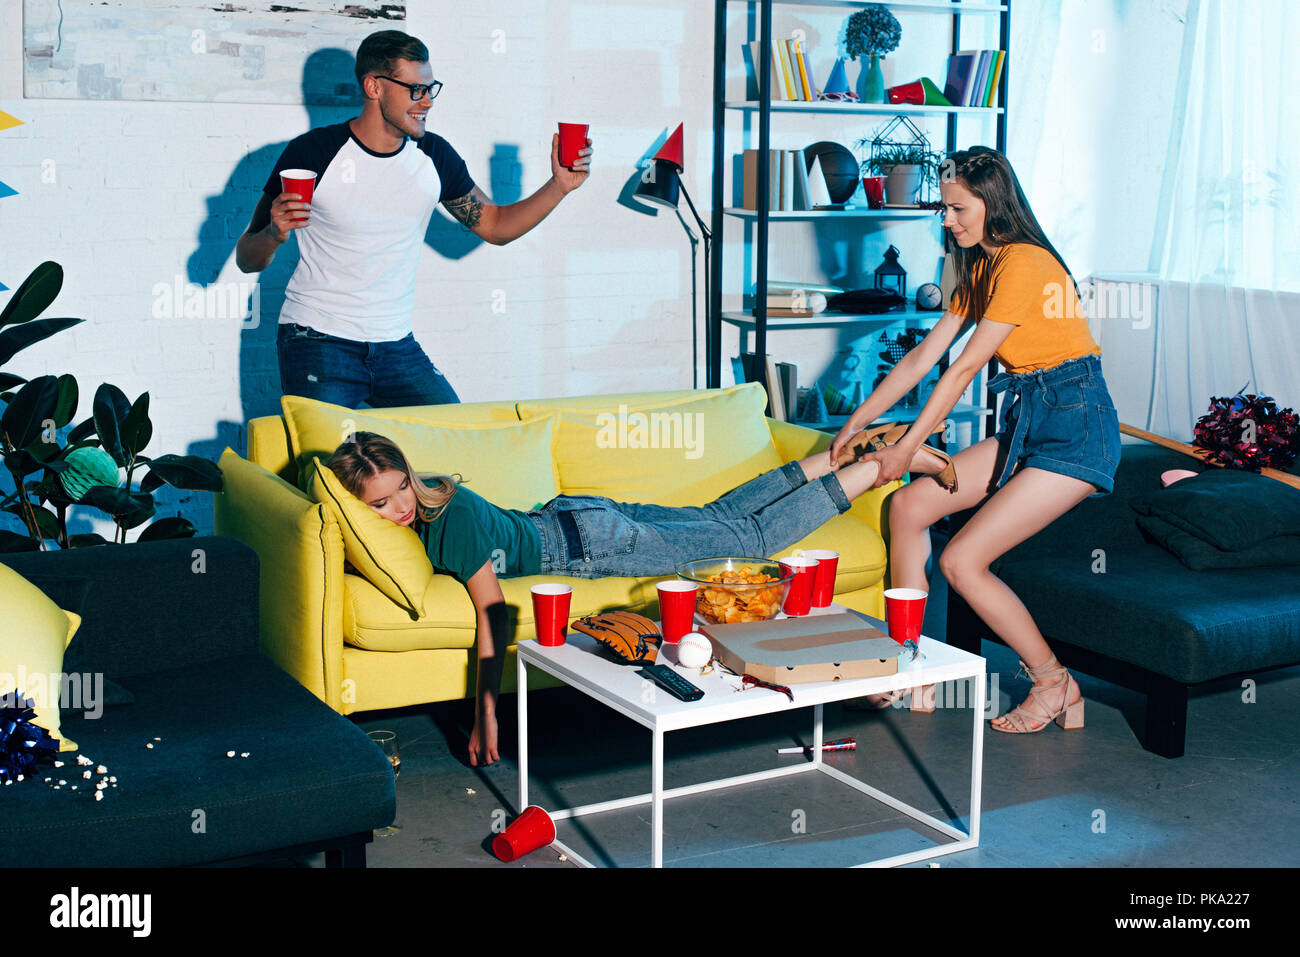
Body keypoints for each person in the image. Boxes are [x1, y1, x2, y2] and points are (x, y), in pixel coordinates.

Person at [325, 431, 900, 767]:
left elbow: (492, 611)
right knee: (719, 519)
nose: (400, 507)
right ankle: (839, 457)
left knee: (751, 542)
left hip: (591, 546)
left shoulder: (445, 520)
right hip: (574, 515)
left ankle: (876, 467)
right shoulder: (425, 497)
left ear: (406, 472)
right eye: (380, 504)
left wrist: (485, 714)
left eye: (401, 487)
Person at [829, 146, 1121, 731]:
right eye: (943, 208)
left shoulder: (1024, 263)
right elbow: (925, 357)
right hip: (1029, 419)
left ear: (992, 204)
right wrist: (857, 420)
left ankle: (1053, 684)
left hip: (1074, 426)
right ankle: (912, 666)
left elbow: (963, 370)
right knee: (910, 506)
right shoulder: (979, 265)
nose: (947, 220)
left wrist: (907, 448)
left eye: (958, 209)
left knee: (964, 560)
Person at [235, 29, 592, 407]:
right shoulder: (312, 153)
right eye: (415, 90)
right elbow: (247, 258)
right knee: (327, 462)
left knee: (452, 438)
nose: (427, 103)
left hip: (395, 346)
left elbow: (495, 226)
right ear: (374, 87)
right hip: (316, 338)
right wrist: (274, 234)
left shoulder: (433, 156)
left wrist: (560, 185)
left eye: (430, 89)